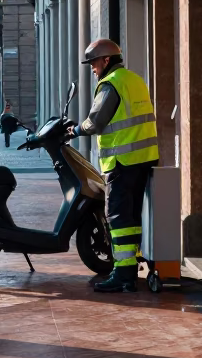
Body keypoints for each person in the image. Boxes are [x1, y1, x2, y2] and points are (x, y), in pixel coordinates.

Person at [67, 38, 158, 293]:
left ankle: (123, 273)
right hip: (144, 158)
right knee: (133, 216)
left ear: (106, 60)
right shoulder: (134, 80)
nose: (93, 68)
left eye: (94, 63)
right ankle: (131, 268)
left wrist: (74, 129)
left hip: (122, 160)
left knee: (117, 217)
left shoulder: (110, 84)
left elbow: (95, 121)